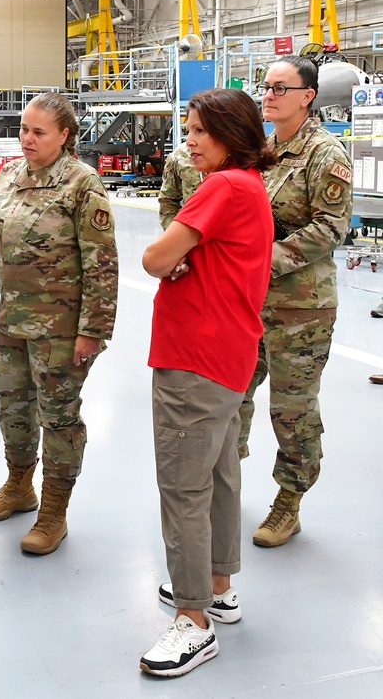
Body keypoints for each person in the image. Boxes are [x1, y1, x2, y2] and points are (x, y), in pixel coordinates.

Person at [139, 88, 275, 677]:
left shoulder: (222, 187)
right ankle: (219, 584)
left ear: (231, 135)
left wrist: (174, 255)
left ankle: (194, 618)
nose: (188, 140)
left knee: (183, 488)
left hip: (193, 358)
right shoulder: (250, 189)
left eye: (199, 131)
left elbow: (152, 257)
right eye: (187, 129)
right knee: (218, 476)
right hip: (227, 354)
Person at [0, 92, 118, 555]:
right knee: (12, 407)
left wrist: (93, 331)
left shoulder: (82, 184)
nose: (27, 139)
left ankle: (54, 510)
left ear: (65, 135)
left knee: (58, 417)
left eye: (38, 132)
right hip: (11, 322)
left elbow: (102, 265)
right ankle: (19, 485)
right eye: (23, 130)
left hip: (60, 328)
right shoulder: (10, 176)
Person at [238, 55, 353, 548]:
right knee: (232, 392)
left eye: (280, 88)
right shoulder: (260, 151)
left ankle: (290, 500)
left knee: (291, 407)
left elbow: (331, 228)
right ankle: (224, 473)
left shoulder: (326, 155)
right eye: (265, 86)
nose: (268, 95)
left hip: (300, 307)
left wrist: (265, 259)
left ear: (308, 95)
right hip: (248, 302)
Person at [158, 141, 203, 230]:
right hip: (194, 232)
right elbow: (168, 201)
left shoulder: (235, 153)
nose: (190, 138)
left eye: (199, 130)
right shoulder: (181, 155)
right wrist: (176, 235)